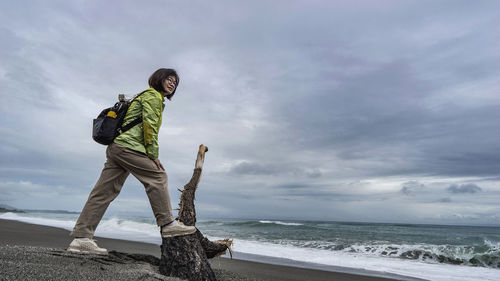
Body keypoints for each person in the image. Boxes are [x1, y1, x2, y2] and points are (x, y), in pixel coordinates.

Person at [67, 68, 195, 255]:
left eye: (175, 82)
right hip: (128, 147)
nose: (172, 83)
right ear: (158, 79)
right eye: (169, 79)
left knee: (102, 192)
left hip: (117, 148)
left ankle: (81, 238)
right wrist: (153, 155)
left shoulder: (147, 96)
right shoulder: (153, 96)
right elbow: (149, 126)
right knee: (158, 176)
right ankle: (168, 224)